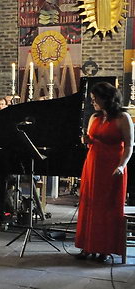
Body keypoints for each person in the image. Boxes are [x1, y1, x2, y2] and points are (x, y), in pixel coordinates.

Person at [76, 82, 133, 263]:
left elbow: (129, 146)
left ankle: (105, 249)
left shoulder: (123, 117)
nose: (93, 102)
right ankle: (88, 246)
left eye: (95, 99)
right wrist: (86, 139)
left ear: (106, 98)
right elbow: (91, 140)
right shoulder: (94, 117)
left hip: (112, 167)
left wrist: (122, 166)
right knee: (89, 205)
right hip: (93, 165)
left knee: (107, 208)